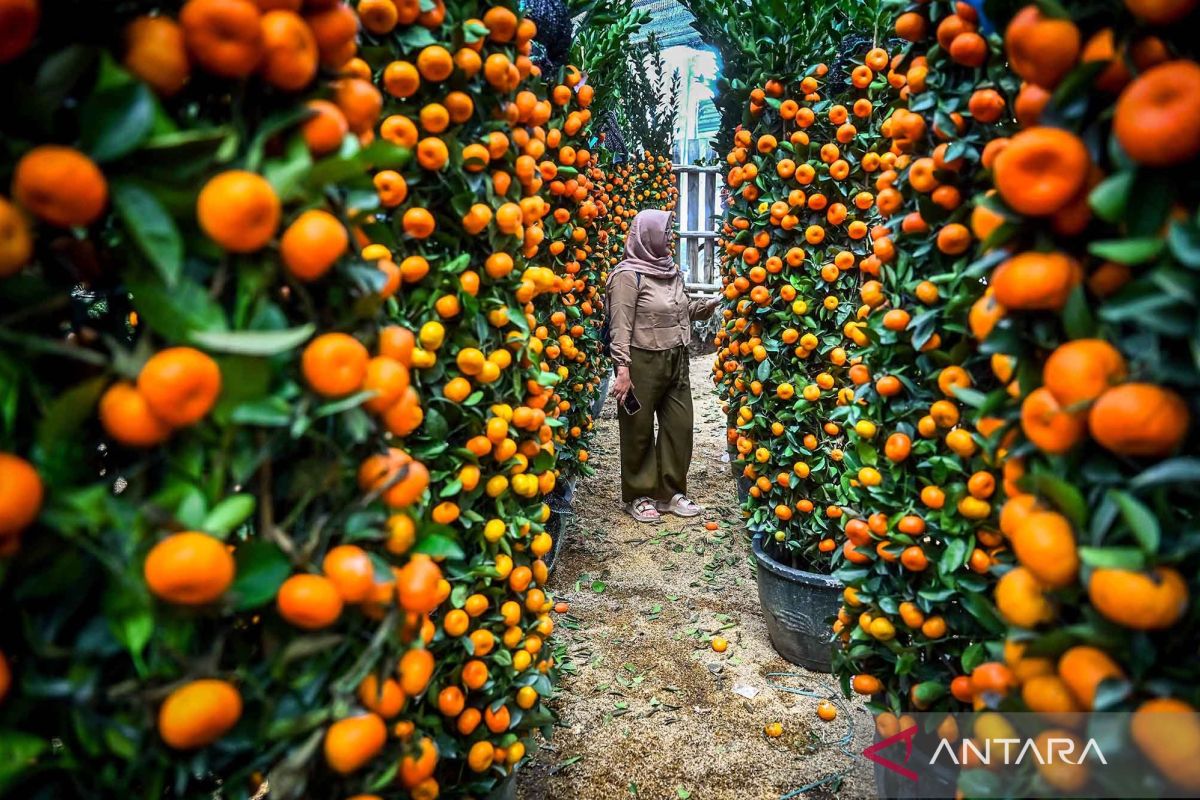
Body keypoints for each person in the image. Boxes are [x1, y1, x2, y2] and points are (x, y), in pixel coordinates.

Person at [606, 209, 721, 523]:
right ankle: (638, 494)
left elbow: (679, 309)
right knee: (638, 430)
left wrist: (705, 307)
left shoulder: (670, 271)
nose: (670, 237)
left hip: (676, 359)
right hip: (641, 360)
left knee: (679, 427)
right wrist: (622, 369)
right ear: (647, 235)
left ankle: (669, 493)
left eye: (670, 231)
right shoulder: (627, 276)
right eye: (665, 231)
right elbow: (620, 326)